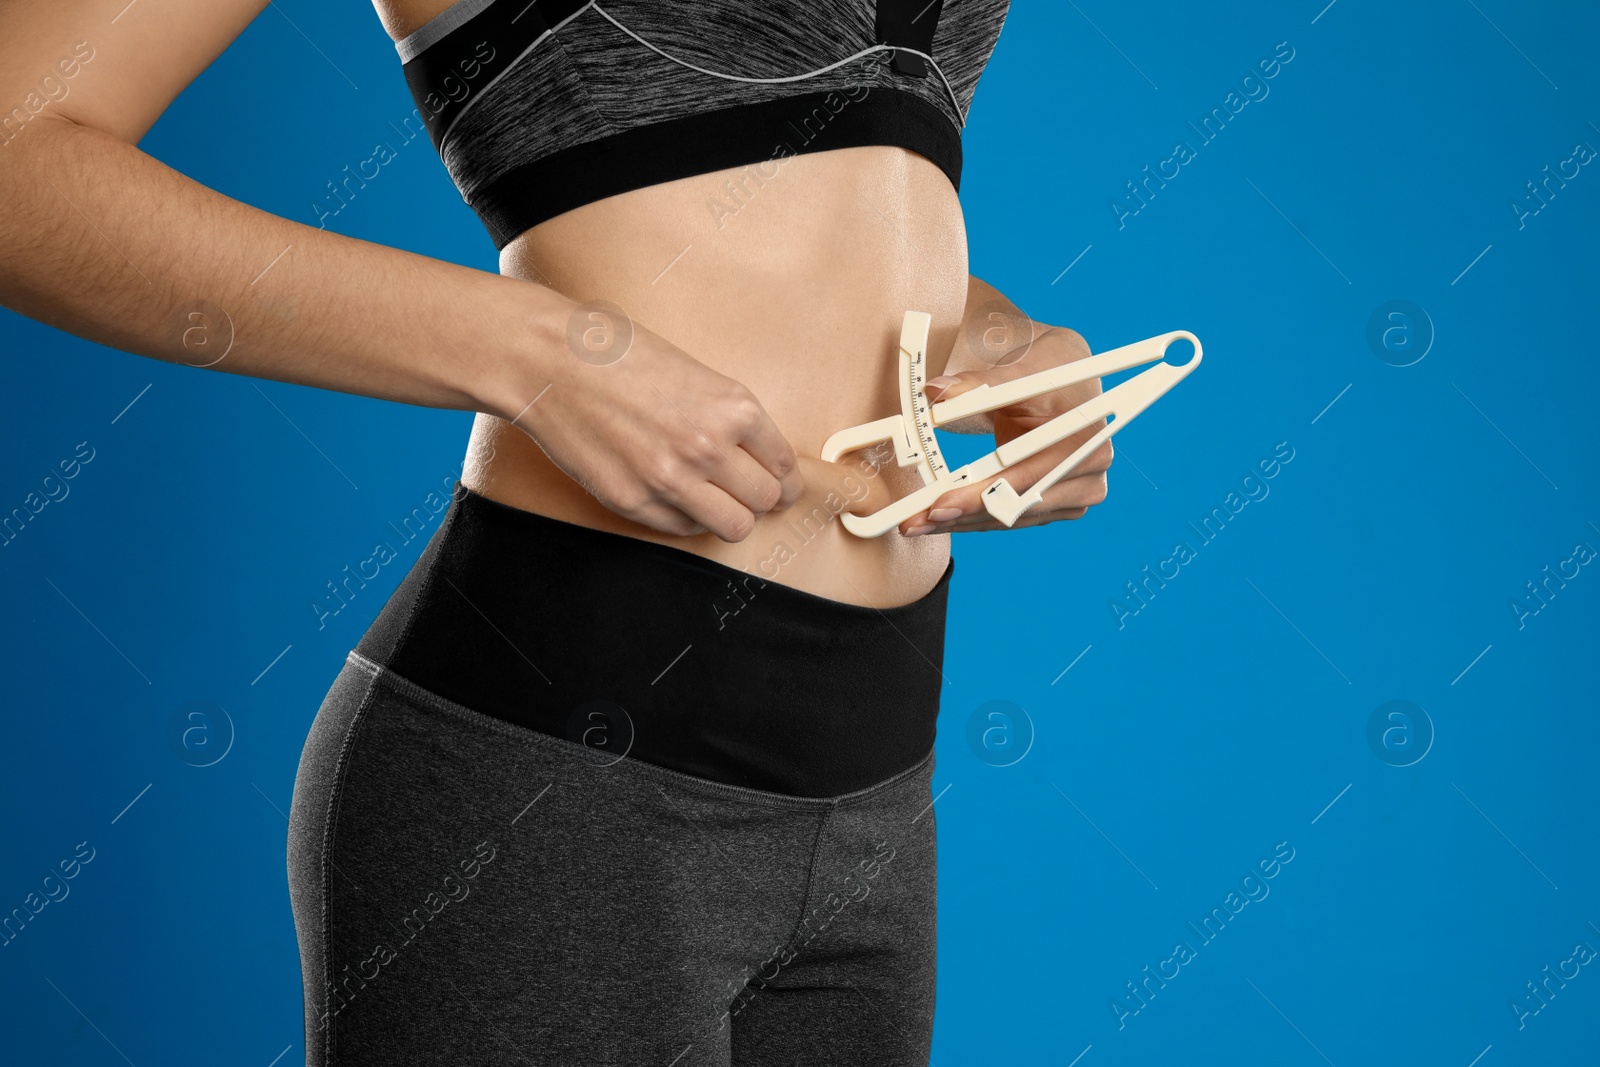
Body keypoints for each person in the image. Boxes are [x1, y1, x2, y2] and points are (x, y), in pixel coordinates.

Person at [0, 1, 1113, 1063]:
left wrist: (996, 332)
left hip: (878, 782)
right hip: (557, 779)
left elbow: (806, 195)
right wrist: (534, 352)